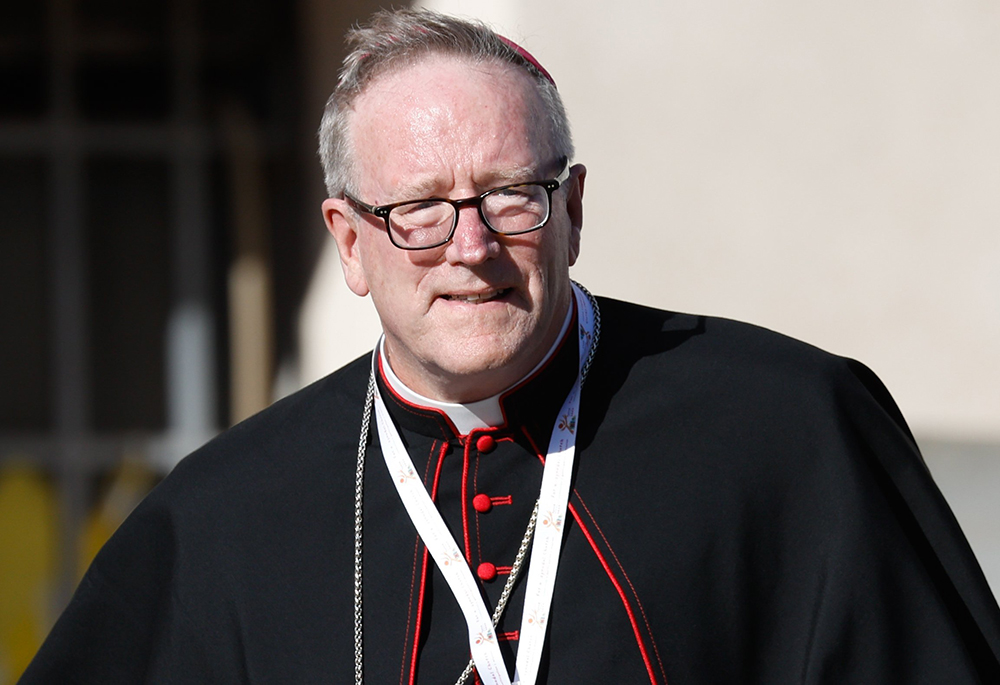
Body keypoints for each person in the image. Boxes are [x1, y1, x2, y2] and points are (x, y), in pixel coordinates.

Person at [20, 9, 1000, 685]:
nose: (472, 247)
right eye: (419, 211)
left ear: (573, 209)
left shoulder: (786, 428)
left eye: (509, 196)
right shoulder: (223, 512)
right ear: (349, 242)